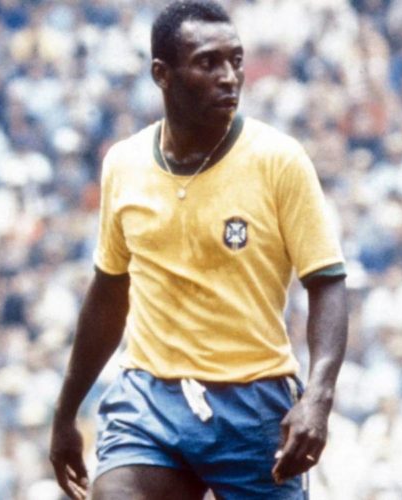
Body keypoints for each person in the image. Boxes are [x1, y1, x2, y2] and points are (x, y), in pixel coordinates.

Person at [49, 1, 348, 498]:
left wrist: (317, 398)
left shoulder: (279, 160)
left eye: (236, 60)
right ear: (161, 74)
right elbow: (108, 293)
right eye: (208, 63)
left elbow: (328, 282)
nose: (229, 77)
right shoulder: (124, 164)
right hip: (151, 398)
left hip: (254, 406)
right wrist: (65, 414)